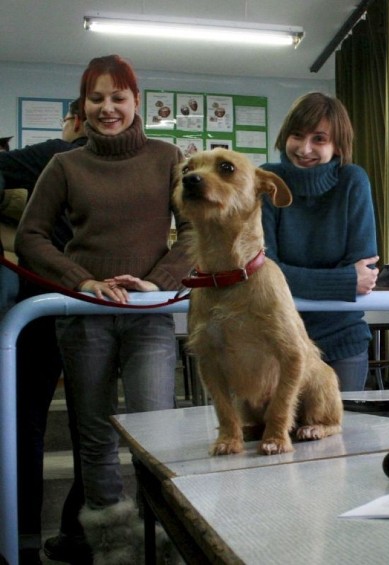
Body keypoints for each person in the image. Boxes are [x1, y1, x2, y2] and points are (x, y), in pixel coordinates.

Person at [15, 54, 191, 561]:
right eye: (96, 98)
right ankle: (111, 546)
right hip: (84, 318)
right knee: (92, 436)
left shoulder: (168, 158)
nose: (107, 108)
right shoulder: (64, 163)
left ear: (137, 101)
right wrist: (82, 280)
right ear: (83, 106)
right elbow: (30, 236)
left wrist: (154, 284)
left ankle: (161, 537)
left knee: (154, 435)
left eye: (118, 97)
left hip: (149, 317)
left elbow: (197, 232)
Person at [1, 99, 88, 564]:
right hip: (97, 308)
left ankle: (24, 539)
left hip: (40, 305)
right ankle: (77, 532)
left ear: (72, 121)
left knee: (27, 423)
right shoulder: (137, 162)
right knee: (89, 427)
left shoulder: (52, 152)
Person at [261, 92, 379, 391]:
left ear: (337, 145)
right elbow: (263, 269)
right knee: (276, 434)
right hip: (276, 336)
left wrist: (291, 276)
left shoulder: (353, 180)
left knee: (343, 433)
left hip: (342, 337)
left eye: (319, 139)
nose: (304, 148)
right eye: (297, 136)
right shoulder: (266, 180)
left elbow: (364, 267)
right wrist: (342, 282)